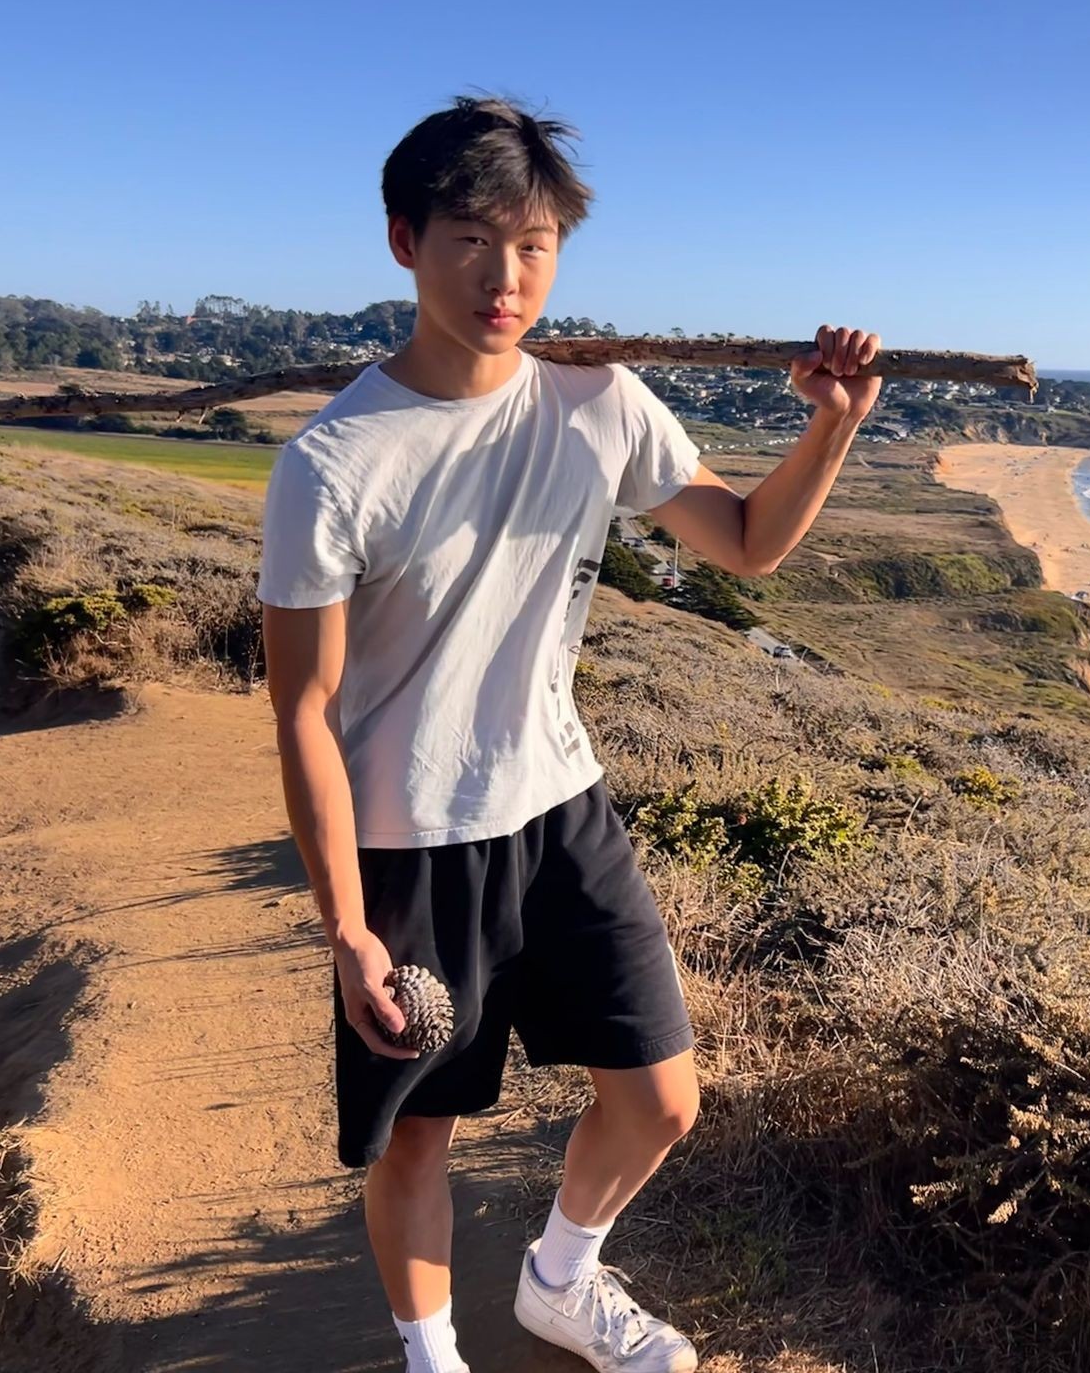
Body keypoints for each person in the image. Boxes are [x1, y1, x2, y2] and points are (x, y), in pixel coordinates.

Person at [256, 94, 882, 1373]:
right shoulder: (330, 465)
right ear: (403, 242)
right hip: (408, 842)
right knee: (420, 1133)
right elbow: (304, 711)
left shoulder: (599, 403)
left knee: (660, 1097)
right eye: (472, 239)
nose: (506, 276)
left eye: (535, 242)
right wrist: (346, 927)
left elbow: (750, 547)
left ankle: (560, 1281)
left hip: (559, 807)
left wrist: (833, 425)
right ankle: (435, 1362)